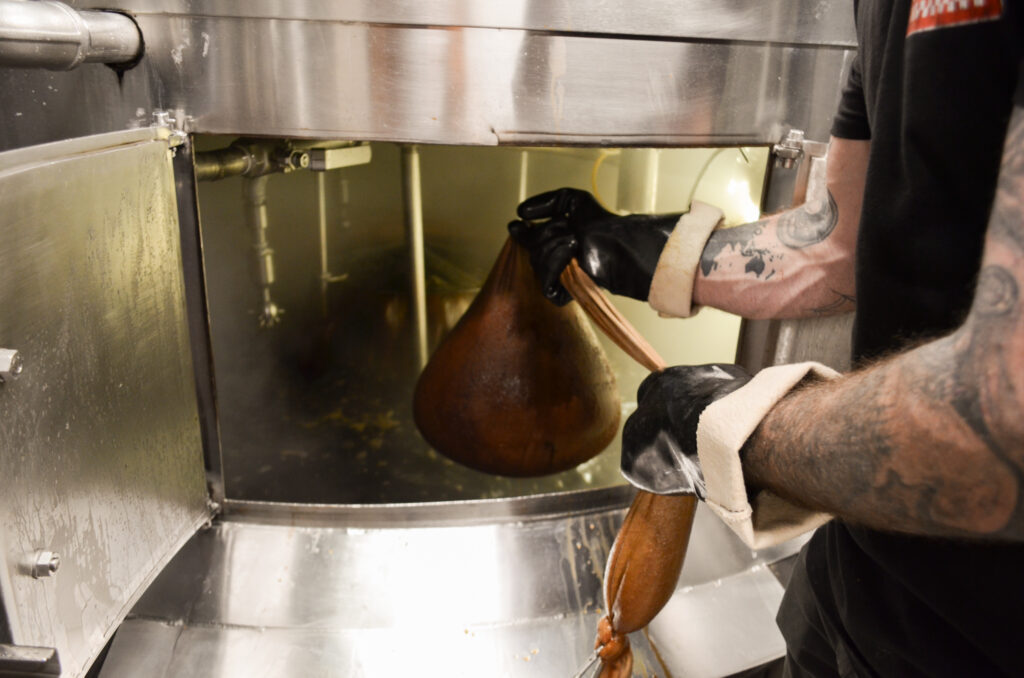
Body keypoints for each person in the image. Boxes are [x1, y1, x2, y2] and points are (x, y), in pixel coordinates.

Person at [509, 1, 1024, 675]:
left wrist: (727, 425)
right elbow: (834, 241)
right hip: (856, 582)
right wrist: (625, 246)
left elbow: (1001, 424)